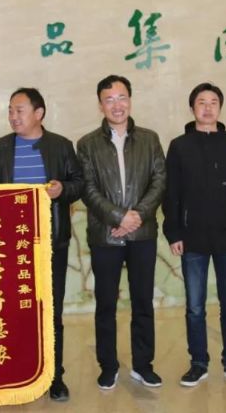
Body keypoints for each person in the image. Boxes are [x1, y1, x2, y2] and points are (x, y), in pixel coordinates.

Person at [0, 87, 83, 402]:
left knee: (51, 312)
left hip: (51, 244)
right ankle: (15, 374)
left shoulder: (61, 146)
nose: (13, 116)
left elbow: (79, 184)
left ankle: (54, 376)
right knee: (11, 312)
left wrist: (62, 189)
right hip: (9, 247)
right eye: (10, 110)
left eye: (19, 110)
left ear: (39, 113)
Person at [163, 83, 226, 388]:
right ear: (192, 108)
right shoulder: (179, 146)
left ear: (220, 107)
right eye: (201, 102)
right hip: (192, 239)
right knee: (195, 307)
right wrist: (174, 232)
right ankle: (198, 363)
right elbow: (171, 194)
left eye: (213, 102)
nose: (207, 107)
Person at [77, 74, 166, 389]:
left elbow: (160, 180)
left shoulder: (150, 139)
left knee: (143, 302)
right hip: (106, 236)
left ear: (130, 99)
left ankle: (143, 365)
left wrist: (137, 215)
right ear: (100, 105)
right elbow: (88, 189)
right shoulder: (87, 144)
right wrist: (117, 217)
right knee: (106, 304)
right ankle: (108, 366)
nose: (117, 105)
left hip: (142, 234)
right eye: (109, 99)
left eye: (122, 97)